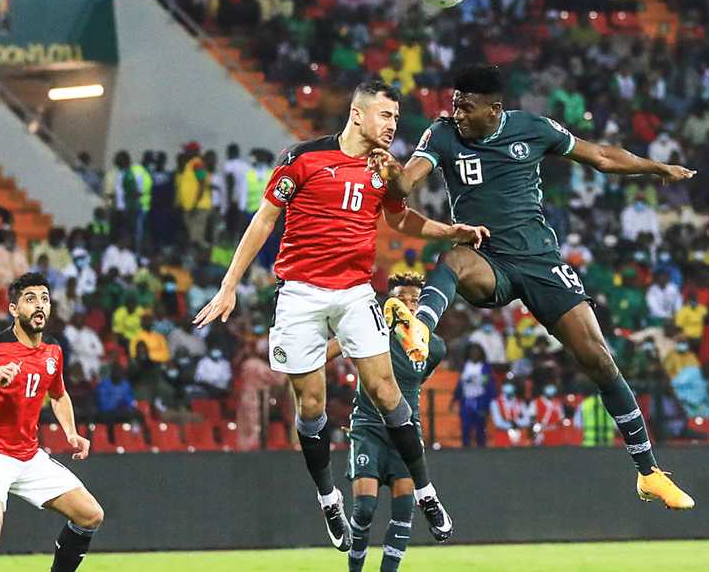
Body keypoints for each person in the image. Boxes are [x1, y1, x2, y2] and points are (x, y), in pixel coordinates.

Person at [379, 64, 696, 509]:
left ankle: (648, 473)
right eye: (455, 104)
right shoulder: (443, 134)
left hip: (540, 262)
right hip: (486, 258)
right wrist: (391, 174)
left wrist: (655, 167)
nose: (458, 114)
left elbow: (601, 156)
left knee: (599, 358)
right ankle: (420, 328)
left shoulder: (532, 128)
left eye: (467, 108)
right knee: (452, 257)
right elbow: (407, 181)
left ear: (495, 109)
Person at [194, 81, 487, 547]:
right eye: (386, 116)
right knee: (310, 406)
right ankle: (329, 500)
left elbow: (400, 219)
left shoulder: (381, 172)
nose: (393, 125)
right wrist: (229, 285)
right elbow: (265, 218)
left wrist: (450, 230)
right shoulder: (304, 159)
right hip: (300, 296)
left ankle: (427, 491)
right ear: (357, 115)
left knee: (388, 389)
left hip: (354, 292)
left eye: (396, 117)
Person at [0, 273, 103, 572]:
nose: (39, 306)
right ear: (13, 309)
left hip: (29, 456)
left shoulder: (52, 351)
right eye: (30, 299)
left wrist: (71, 433)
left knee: (90, 514)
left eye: (44, 299)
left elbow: (59, 395)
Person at [333, 272, 447, 572]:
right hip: (368, 426)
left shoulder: (433, 347)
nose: (408, 304)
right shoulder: (372, 332)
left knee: (403, 510)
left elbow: (416, 381)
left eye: (414, 299)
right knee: (364, 508)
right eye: (401, 298)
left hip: (406, 431)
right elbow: (328, 351)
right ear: (390, 302)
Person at [452, 343, 495, 447]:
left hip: (480, 401)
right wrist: (455, 398)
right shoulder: (465, 366)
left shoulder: (485, 367)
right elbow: (460, 384)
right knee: (465, 427)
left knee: (480, 427)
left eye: (476, 351)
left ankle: (481, 449)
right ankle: (466, 449)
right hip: (466, 401)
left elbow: (489, 386)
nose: (474, 353)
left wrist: (487, 404)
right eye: (472, 351)